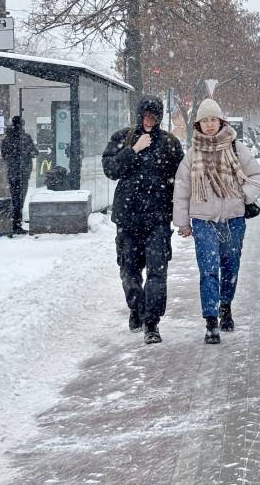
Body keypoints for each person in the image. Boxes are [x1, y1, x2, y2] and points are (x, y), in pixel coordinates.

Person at [173, 99, 260, 345]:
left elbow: (258, 175)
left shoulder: (236, 148)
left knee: (230, 266)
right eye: (205, 120)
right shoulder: (192, 155)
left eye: (213, 119)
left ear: (221, 121)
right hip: (204, 221)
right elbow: (182, 190)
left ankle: (225, 305)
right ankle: (211, 321)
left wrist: (244, 196)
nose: (210, 125)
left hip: (233, 220)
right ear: (199, 125)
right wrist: (183, 222)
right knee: (208, 269)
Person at [103, 96, 184, 345]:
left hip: (158, 219)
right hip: (127, 218)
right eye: (146, 115)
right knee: (129, 270)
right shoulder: (123, 138)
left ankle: (152, 321)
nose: (150, 120)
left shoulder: (169, 143)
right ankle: (136, 308)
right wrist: (133, 150)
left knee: (157, 272)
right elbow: (110, 169)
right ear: (139, 115)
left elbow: (181, 178)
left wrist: (181, 211)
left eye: (154, 116)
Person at [0, 116, 37, 234]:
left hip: (12, 173)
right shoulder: (25, 138)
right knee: (20, 199)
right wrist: (27, 154)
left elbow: (4, 154)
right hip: (23, 173)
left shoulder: (7, 139)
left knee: (15, 198)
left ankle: (14, 222)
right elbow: (35, 152)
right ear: (22, 124)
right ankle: (16, 224)